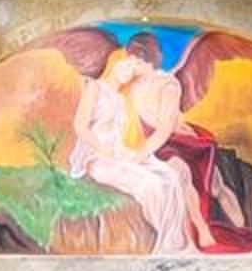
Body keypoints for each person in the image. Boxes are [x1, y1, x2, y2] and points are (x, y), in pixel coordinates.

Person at [67, 36, 211, 253]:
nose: (130, 70)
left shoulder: (121, 98)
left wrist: (132, 154)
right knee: (150, 184)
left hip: (118, 152)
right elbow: (80, 126)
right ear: (114, 63)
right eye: (127, 63)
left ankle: (177, 241)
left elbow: (152, 127)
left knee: (170, 177)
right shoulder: (94, 88)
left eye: (133, 65)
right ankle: (168, 243)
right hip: (97, 156)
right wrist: (104, 149)